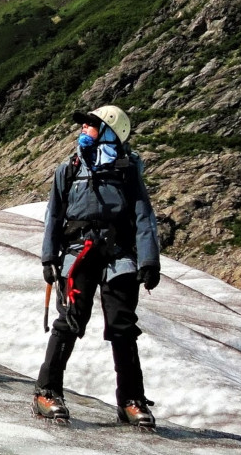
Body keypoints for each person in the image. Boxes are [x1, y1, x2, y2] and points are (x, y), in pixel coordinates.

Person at [34, 105, 161, 428]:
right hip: (78, 254)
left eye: (92, 124)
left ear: (110, 131)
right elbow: (54, 215)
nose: (84, 129)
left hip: (118, 256)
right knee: (71, 321)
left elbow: (144, 217)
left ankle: (131, 401)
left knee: (122, 325)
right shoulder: (70, 167)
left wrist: (148, 261)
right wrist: (49, 258)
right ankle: (46, 392)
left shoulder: (127, 170)